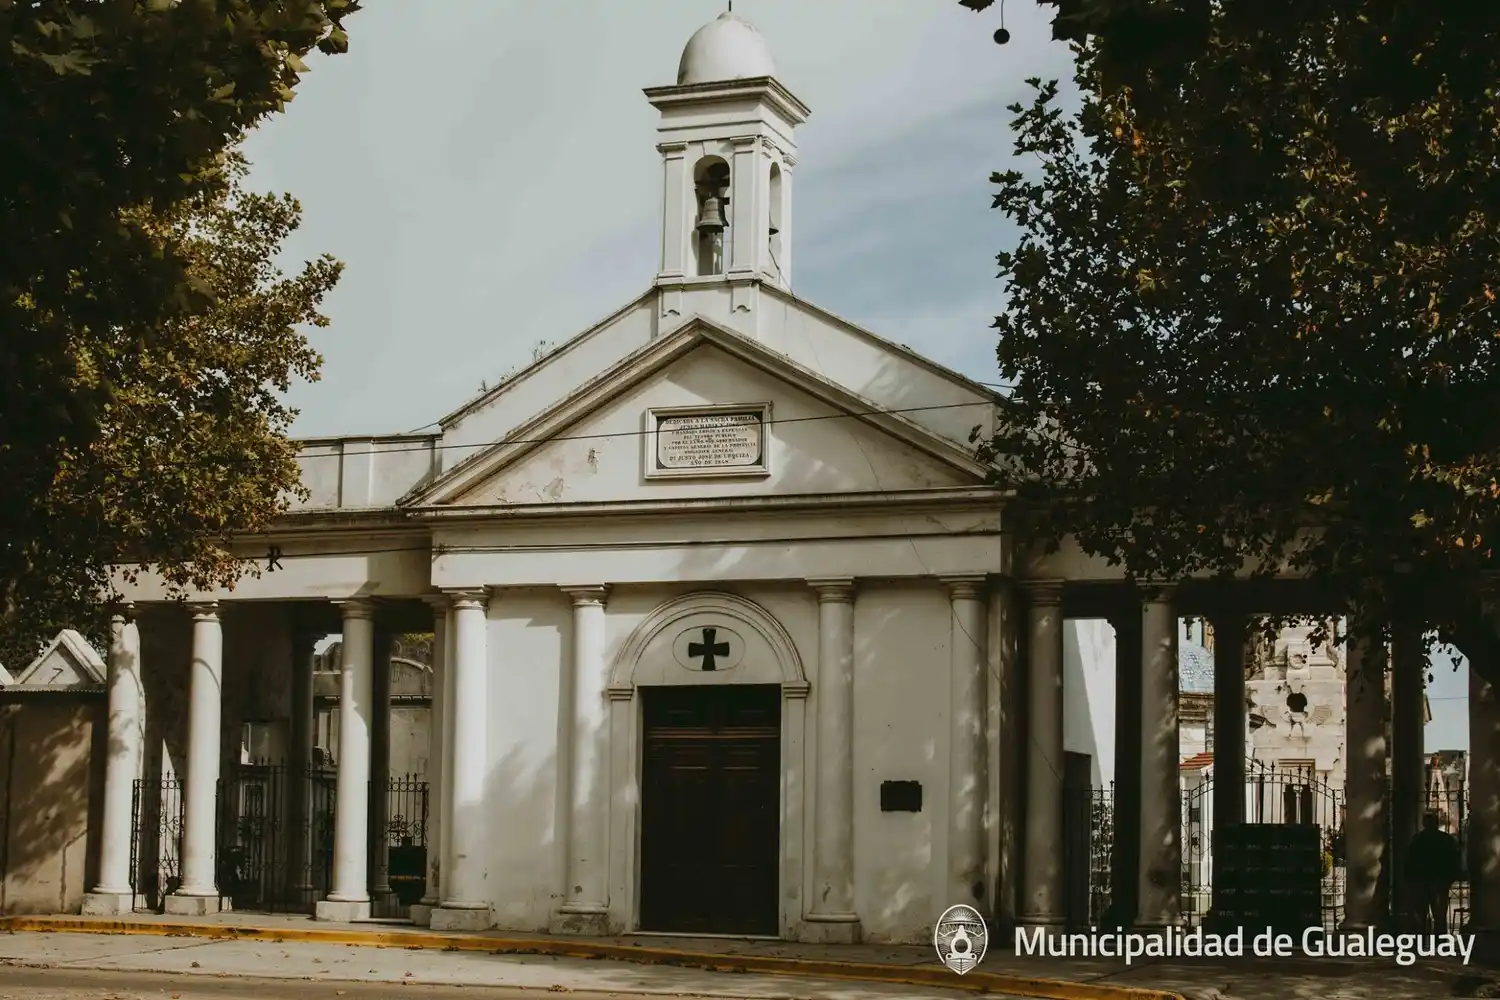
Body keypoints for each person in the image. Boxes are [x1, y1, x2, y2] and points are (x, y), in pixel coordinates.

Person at [1405, 812, 1462, 932]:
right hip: (1438, 881)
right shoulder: (1446, 839)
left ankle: (1420, 942)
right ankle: (1440, 942)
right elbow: (1454, 859)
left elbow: (1409, 861)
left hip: (1422, 881)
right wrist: (1451, 878)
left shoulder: (1418, 839)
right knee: (1439, 915)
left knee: (1421, 913)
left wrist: (1410, 881)